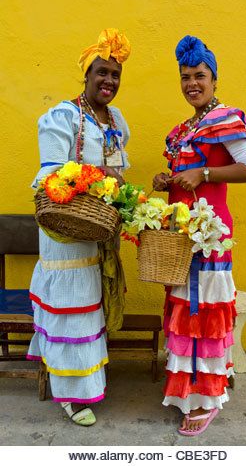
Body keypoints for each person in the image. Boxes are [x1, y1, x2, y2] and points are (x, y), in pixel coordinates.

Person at [153, 35, 246, 436]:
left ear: (214, 80)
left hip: (210, 235)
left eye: (199, 75)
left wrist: (204, 172)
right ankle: (190, 390)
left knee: (203, 315)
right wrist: (167, 180)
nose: (191, 83)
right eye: (185, 77)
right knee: (186, 313)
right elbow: (184, 180)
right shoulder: (184, 128)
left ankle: (204, 397)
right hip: (183, 235)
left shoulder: (226, 120)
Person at [27, 28, 131, 426]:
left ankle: (88, 380)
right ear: (86, 75)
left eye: (115, 75)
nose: (108, 81)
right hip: (66, 233)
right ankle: (72, 396)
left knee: (93, 305)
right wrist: (97, 173)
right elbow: (52, 173)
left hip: (98, 230)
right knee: (72, 307)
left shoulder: (116, 120)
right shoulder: (62, 117)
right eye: (101, 72)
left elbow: (121, 168)